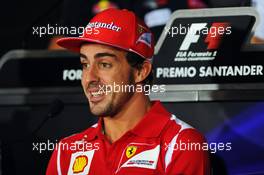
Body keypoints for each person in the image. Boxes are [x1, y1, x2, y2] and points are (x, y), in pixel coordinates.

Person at [46, 8, 210, 175]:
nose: (89, 78)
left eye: (104, 64)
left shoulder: (181, 144)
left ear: (141, 71)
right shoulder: (66, 151)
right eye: (85, 64)